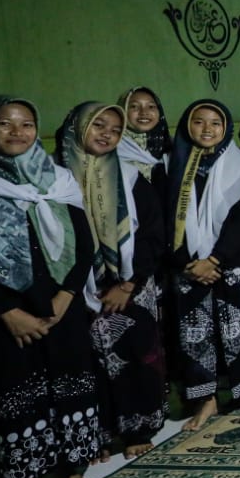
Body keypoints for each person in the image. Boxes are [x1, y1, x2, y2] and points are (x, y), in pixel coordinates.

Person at [0, 97, 100, 478]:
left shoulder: (57, 178)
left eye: (27, 124)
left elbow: (83, 242)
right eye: (4, 123)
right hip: (3, 312)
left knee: (70, 380)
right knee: (14, 390)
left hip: (59, 303)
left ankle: (74, 468)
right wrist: (8, 313)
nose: (17, 132)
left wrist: (67, 295)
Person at [56, 101, 167, 457]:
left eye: (115, 129)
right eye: (98, 125)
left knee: (137, 355)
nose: (107, 134)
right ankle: (100, 435)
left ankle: (139, 430)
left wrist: (129, 284)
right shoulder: (54, 178)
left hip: (131, 284)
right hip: (76, 288)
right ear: (77, 127)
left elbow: (153, 232)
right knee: (90, 362)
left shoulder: (131, 175)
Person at [165, 99, 240, 429]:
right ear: (186, 126)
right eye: (199, 122)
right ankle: (205, 400)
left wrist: (215, 259)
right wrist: (188, 262)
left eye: (215, 123)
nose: (207, 129)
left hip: (231, 263)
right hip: (187, 266)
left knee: (239, 332)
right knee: (195, 335)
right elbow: (164, 220)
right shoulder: (171, 164)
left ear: (226, 129)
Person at [117, 86, 171, 192]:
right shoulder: (113, 148)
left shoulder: (171, 147)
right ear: (122, 111)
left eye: (151, 106)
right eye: (134, 106)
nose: (144, 112)